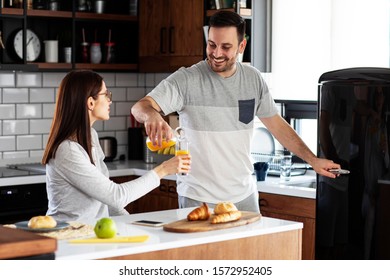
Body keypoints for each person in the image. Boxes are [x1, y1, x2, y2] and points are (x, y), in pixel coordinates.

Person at [131, 11, 340, 213]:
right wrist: (152, 115)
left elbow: (277, 125)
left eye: (226, 47)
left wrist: (312, 160)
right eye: (211, 44)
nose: (217, 53)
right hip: (198, 197)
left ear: (242, 46)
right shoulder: (187, 79)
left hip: (244, 197)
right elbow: (140, 107)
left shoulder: (253, 79)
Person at [41, 70, 191, 222]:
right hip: (67, 236)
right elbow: (117, 196)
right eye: (106, 95)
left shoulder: (90, 136)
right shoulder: (67, 150)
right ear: (90, 103)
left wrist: (132, 223)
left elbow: (108, 200)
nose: (110, 100)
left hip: (92, 235)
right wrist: (163, 169)